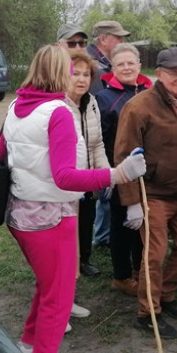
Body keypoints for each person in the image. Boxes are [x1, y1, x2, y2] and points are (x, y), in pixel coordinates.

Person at [3, 44, 148, 353]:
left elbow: (4, 155)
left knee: (47, 286)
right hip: (52, 213)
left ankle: (29, 346)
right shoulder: (58, 112)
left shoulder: (16, 106)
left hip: (22, 210)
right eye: (73, 71)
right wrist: (118, 174)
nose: (80, 78)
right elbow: (65, 176)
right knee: (59, 294)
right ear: (59, 73)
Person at [114, 47, 177, 340]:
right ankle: (148, 313)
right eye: (174, 74)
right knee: (154, 255)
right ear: (159, 74)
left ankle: (166, 294)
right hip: (152, 193)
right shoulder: (138, 107)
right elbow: (123, 157)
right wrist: (131, 203)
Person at [96, 43, 153, 296]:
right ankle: (121, 275)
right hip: (120, 170)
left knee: (144, 223)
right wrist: (108, 173)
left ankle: (141, 270)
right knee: (122, 225)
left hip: (149, 172)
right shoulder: (105, 98)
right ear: (113, 68)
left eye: (131, 63)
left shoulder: (151, 91)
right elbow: (101, 139)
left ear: (139, 65)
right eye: (121, 64)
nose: (127, 68)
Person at [66, 51, 111, 282]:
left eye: (86, 74)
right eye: (76, 74)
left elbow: (97, 143)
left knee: (86, 221)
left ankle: (84, 260)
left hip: (88, 177)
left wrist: (103, 174)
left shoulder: (91, 102)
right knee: (67, 229)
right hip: (66, 183)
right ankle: (68, 267)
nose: (82, 79)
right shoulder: (58, 105)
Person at [87, 20, 129, 94]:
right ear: (103, 39)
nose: (123, 42)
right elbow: (99, 102)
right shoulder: (91, 65)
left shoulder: (105, 63)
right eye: (119, 38)